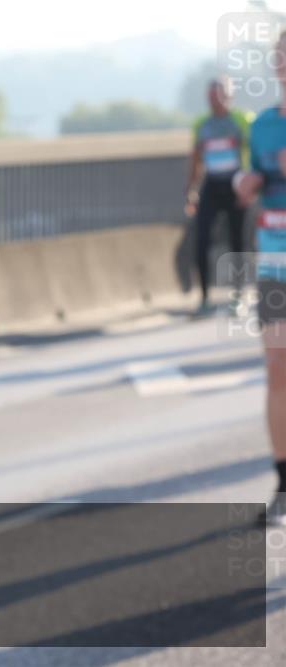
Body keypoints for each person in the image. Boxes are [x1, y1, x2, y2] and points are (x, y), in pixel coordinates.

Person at [234, 34, 286, 526]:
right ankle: (284, 483)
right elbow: (250, 176)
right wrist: (243, 183)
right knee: (277, 370)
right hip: (275, 263)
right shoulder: (265, 125)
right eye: (280, 59)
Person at [185, 76, 252, 317]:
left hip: (236, 184)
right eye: (211, 98)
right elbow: (195, 159)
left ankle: (238, 295)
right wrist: (191, 190)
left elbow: (254, 154)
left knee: (236, 242)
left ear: (230, 96)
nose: (215, 102)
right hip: (212, 185)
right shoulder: (201, 124)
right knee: (201, 239)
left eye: (220, 96)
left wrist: (250, 187)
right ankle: (204, 298)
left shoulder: (242, 121)